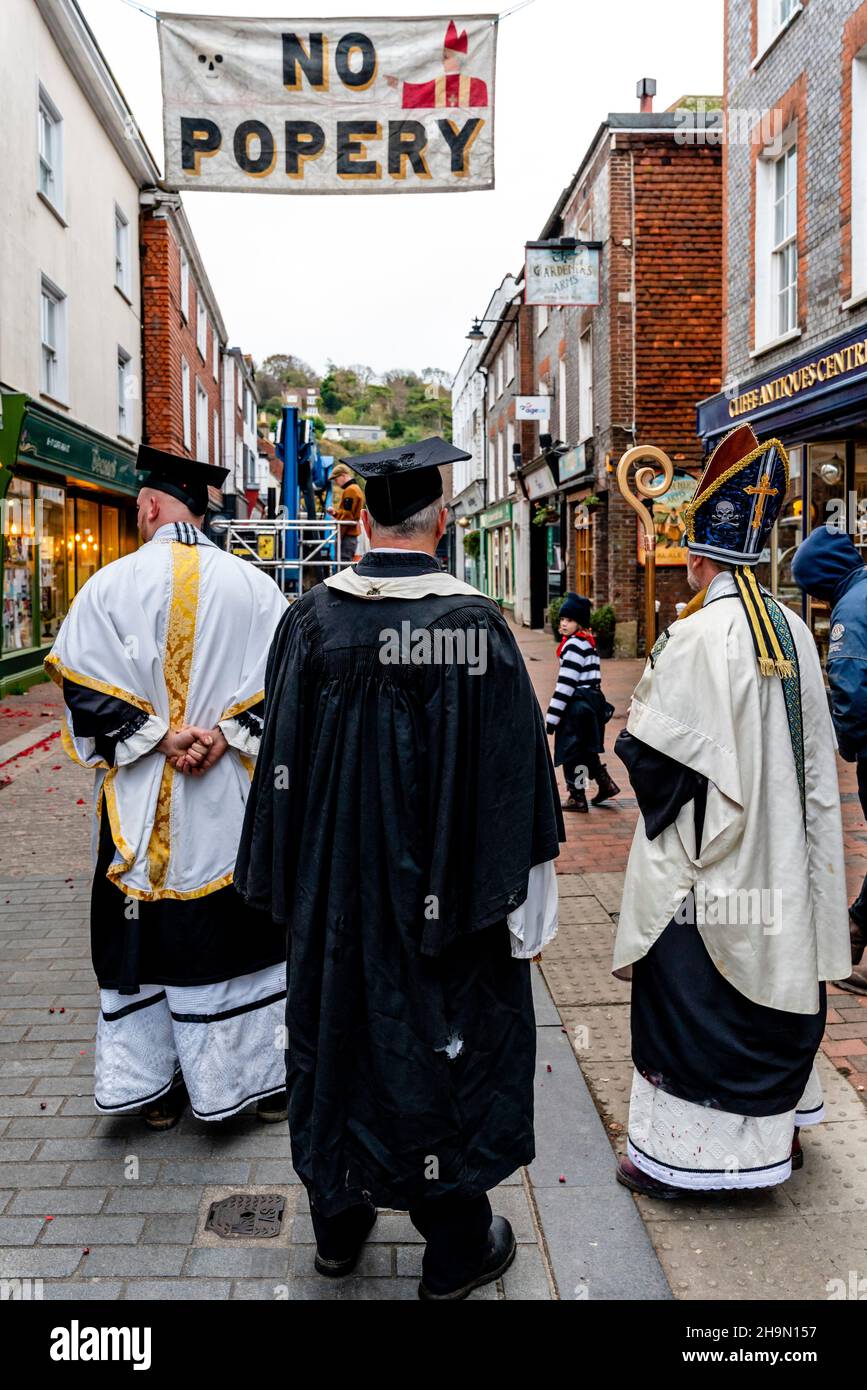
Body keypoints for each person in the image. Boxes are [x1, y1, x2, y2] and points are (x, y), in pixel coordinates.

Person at [235, 436, 564, 1299]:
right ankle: (455, 1246)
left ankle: (337, 1229)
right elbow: (508, 779)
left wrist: (282, 891)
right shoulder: (469, 629)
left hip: (333, 899)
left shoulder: (310, 622)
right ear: (443, 520)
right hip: (440, 905)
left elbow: (279, 768)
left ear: (360, 519)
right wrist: (522, 899)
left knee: (334, 1040)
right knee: (439, 1052)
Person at [611, 423, 851, 1197]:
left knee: (695, 993)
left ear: (701, 553)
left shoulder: (698, 634)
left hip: (713, 871)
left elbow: (656, 768)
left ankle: (690, 1165)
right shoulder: (790, 628)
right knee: (778, 979)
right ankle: (773, 1138)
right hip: (784, 858)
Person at [46, 447, 288, 1130]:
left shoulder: (107, 585)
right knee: (235, 933)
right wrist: (226, 734)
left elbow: (83, 687)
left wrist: (156, 735)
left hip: (141, 796)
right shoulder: (255, 587)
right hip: (228, 799)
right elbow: (289, 684)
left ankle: (155, 1090)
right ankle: (255, 1083)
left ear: (149, 506)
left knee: (143, 934)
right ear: (202, 508)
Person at [792, 522, 867, 994]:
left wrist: (848, 743)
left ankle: (855, 934)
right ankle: (856, 932)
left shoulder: (851, 612)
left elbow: (852, 688)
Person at [545, 591, 619, 812]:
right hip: (592, 704)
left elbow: (566, 685)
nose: (564, 624)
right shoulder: (588, 643)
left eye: (569, 620)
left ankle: (577, 797)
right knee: (586, 749)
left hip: (577, 707)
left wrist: (552, 718)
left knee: (572, 752)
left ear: (580, 622)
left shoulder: (574, 645)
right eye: (562, 619)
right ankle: (605, 783)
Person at [328, 463, 364, 565]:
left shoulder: (351, 490)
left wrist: (339, 537)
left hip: (347, 536)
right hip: (350, 536)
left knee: (342, 566)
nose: (336, 482)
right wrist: (335, 513)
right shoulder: (354, 488)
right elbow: (348, 514)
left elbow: (347, 517)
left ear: (343, 475)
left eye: (336, 479)